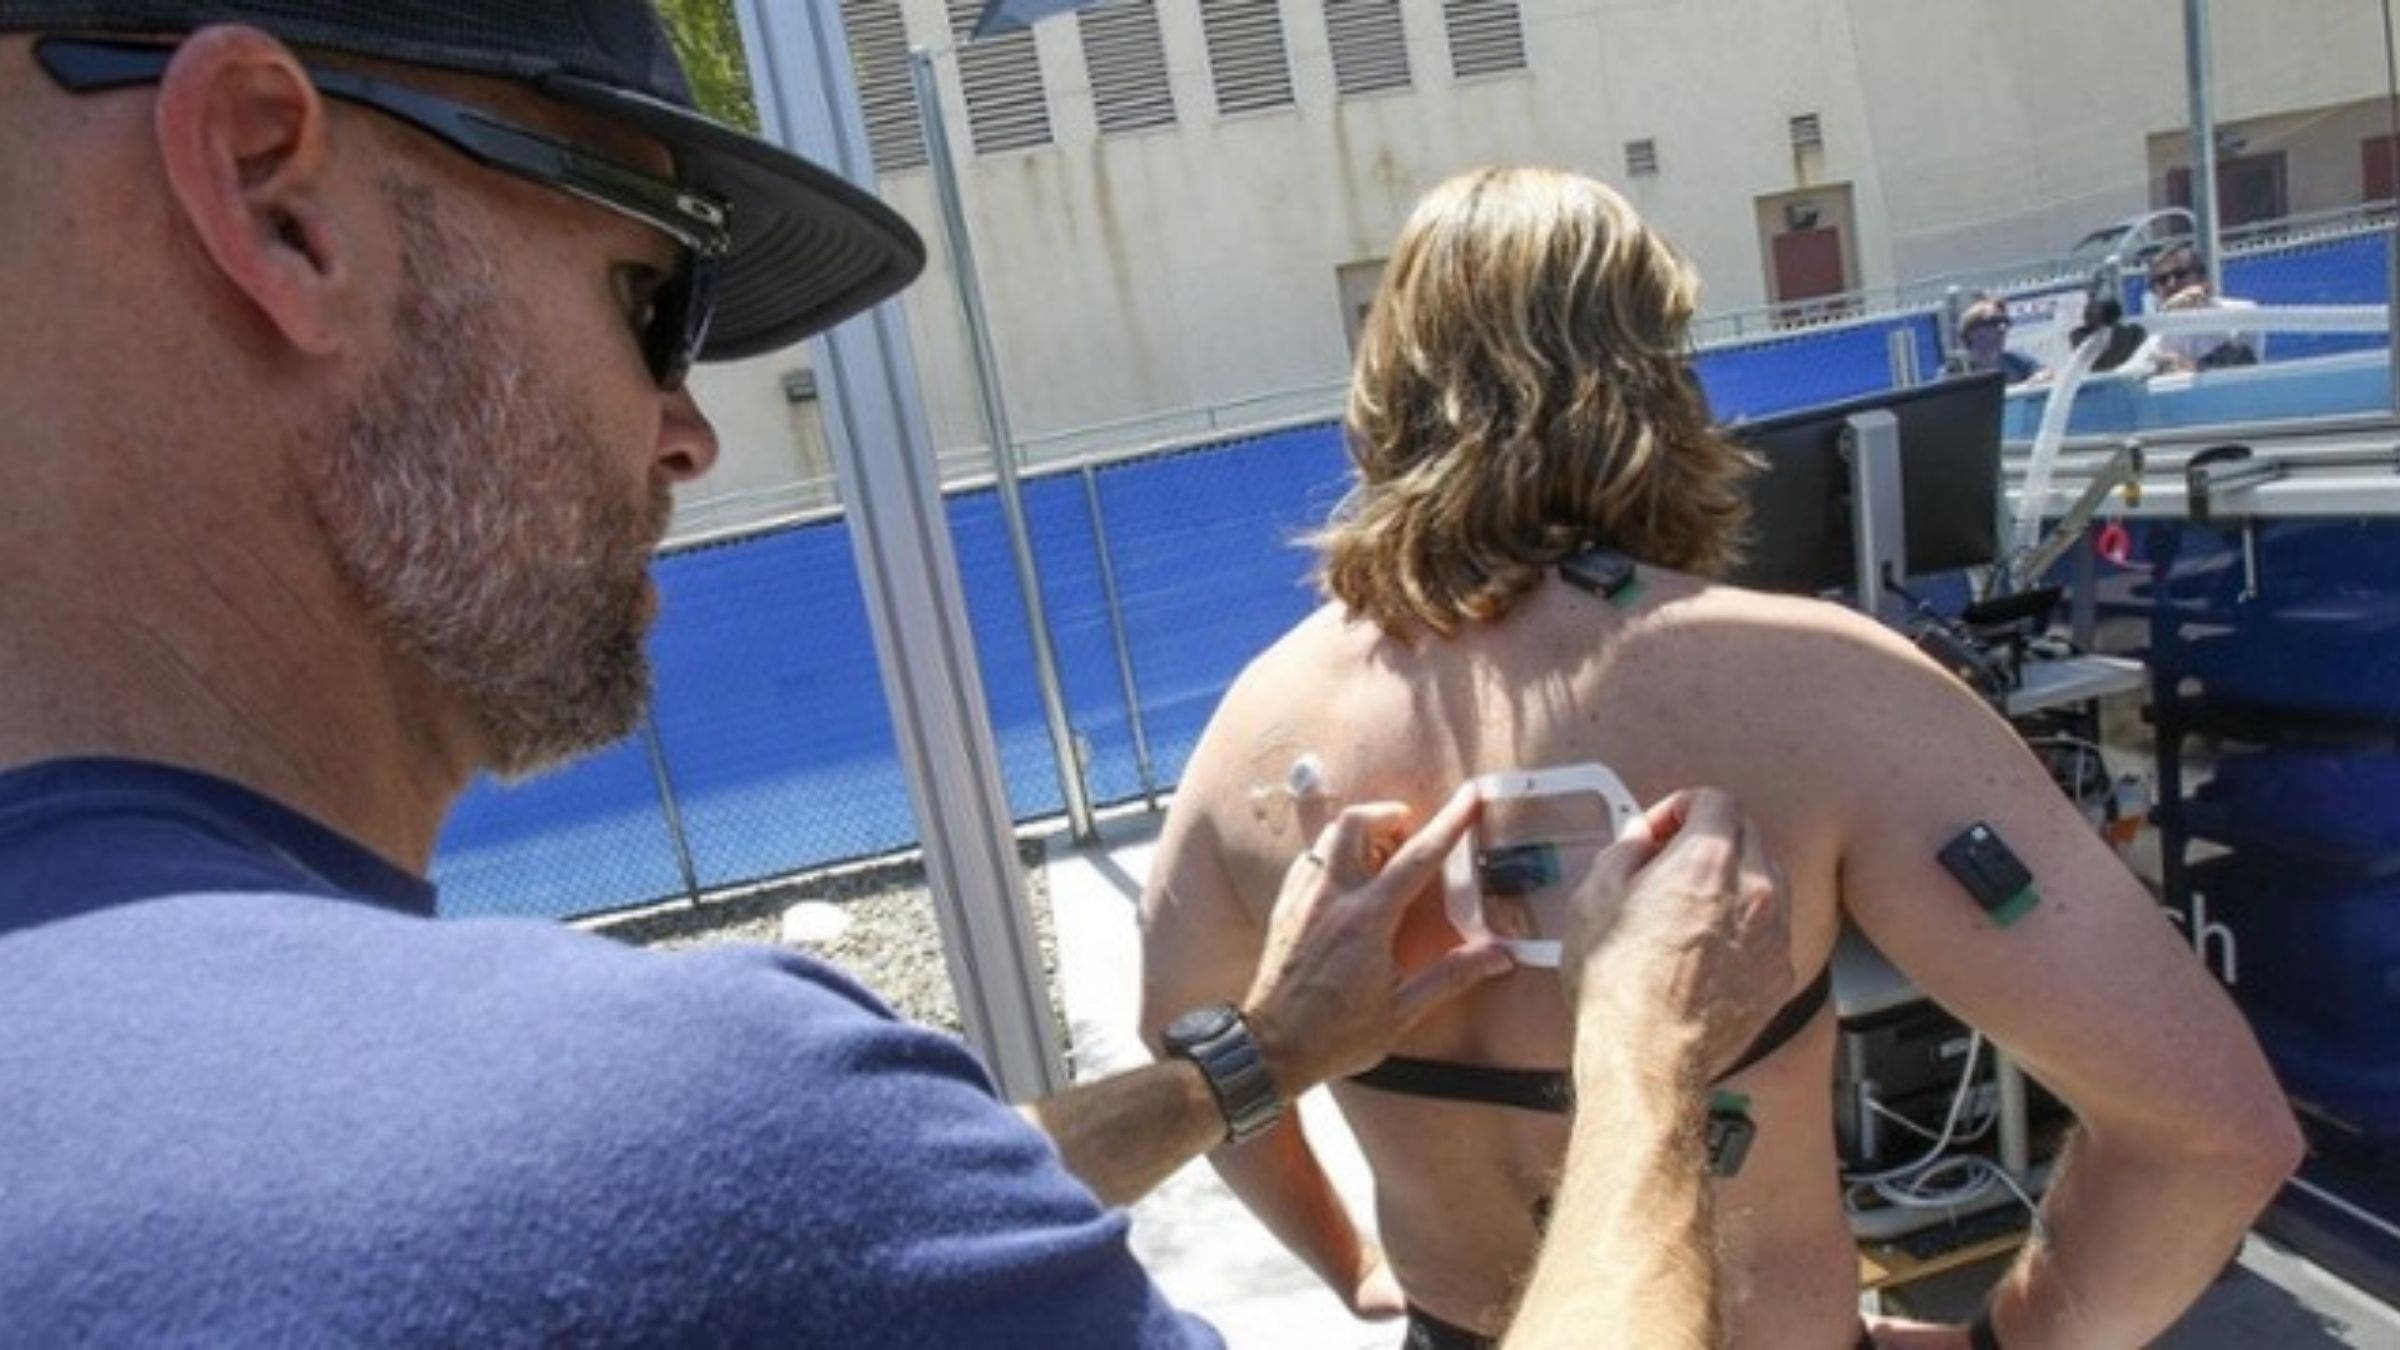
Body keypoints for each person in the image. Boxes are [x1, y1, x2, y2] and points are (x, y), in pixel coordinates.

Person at [0, 7, 1787, 1343]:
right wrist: (1643, 1050)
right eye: (651, 298)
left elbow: (840, 1239)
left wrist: (1261, 1058)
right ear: (277, 195)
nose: (687, 429)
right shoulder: (677, 1143)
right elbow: (771, 1221)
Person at [1140, 167, 2303, 1350]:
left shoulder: (1256, 732)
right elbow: (2212, 1135)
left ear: (1384, 392)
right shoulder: (1814, 689)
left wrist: (1349, 1266)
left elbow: (1192, 1061)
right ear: (1657, 377)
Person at [2145, 244, 2261, 371]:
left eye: (2180, 274)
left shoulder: (2241, 312)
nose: (2171, 284)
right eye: (2162, 280)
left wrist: (2188, 366)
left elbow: (2243, 361)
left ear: (2203, 279)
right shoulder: (2154, 335)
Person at [1953, 294, 2044, 384]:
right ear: (1973, 332)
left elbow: (2044, 372)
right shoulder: (1958, 369)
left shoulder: (2015, 360)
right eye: (1994, 322)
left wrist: (2034, 381)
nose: (2002, 328)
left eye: (2005, 322)